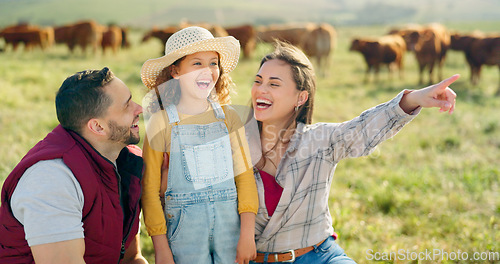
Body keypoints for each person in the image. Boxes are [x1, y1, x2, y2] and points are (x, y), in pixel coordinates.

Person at [248, 41, 458, 264]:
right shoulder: (235, 143)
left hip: (319, 256)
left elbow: (363, 129)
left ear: (301, 98)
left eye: (274, 84)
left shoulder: (319, 140)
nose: (261, 89)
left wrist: (414, 99)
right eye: (258, 81)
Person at [0, 67, 148, 264]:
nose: (139, 109)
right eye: (127, 105)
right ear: (98, 127)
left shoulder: (123, 161)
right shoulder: (51, 181)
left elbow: (131, 258)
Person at [140, 26, 259, 264]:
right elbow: (150, 192)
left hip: (231, 230)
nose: (207, 71)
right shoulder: (161, 123)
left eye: (213, 63)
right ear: (175, 72)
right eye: (197, 64)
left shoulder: (229, 118)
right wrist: (161, 248)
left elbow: (244, 178)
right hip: (184, 233)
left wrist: (247, 234)